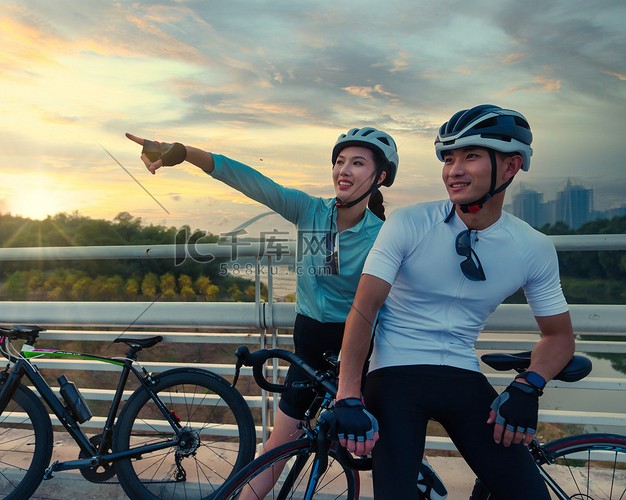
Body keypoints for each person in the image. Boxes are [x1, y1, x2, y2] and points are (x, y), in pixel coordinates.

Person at [125, 129, 449, 498]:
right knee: (273, 456)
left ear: (381, 177)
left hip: (364, 353)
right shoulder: (309, 210)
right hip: (309, 348)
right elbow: (250, 179)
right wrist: (183, 152)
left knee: (384, 454)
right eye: (340, 161)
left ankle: (414, 474)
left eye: (358, 163)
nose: (344, 170)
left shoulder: (385, 234)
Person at [334, 105, 576, 499]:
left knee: (530, 495)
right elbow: (364, 309)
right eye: (448, 158)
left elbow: (559, 336)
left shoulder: (532, 247)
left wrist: (529, 386)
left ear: (511, 166)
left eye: (471, 156)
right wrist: (347, 394)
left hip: (462, 373)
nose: (454, 170)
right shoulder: (409, 223)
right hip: (395, 372)